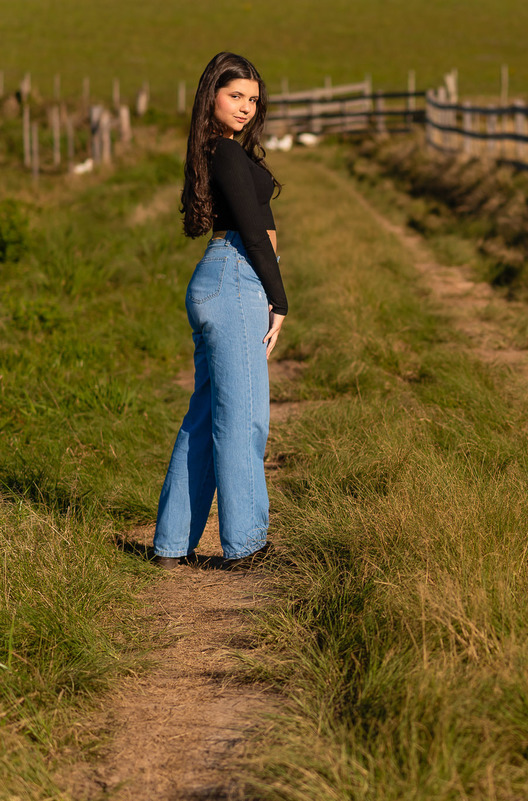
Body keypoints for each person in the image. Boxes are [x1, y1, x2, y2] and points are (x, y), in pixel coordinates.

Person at [153, 52, 286, 570]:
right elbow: (254, 233)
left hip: (222, 277)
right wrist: (280, 299)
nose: (247, 107)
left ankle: (170, 544)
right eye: (236, 96)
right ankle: (247, 544)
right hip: (236, 280)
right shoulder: (226, 153)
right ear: (211, 95)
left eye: (253, 99)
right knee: (244, 418)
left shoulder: (222, 151)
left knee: (206, 415)